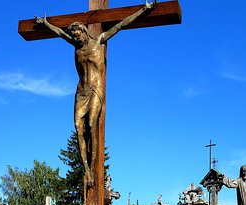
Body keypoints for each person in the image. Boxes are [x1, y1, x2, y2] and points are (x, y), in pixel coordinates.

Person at [35, 1, 157, 187]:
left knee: (91, 124)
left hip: (95, 88)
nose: (76, 39)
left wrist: (143, 10)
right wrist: (45, 24)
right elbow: (60, 33)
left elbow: (121, 24)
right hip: (81, 91)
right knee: (78, 128)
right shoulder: (76, 46)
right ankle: (86, 169)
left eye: (78, 35)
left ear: (84, 32)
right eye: (74, 36)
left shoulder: (99, 40)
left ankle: (92, 169)